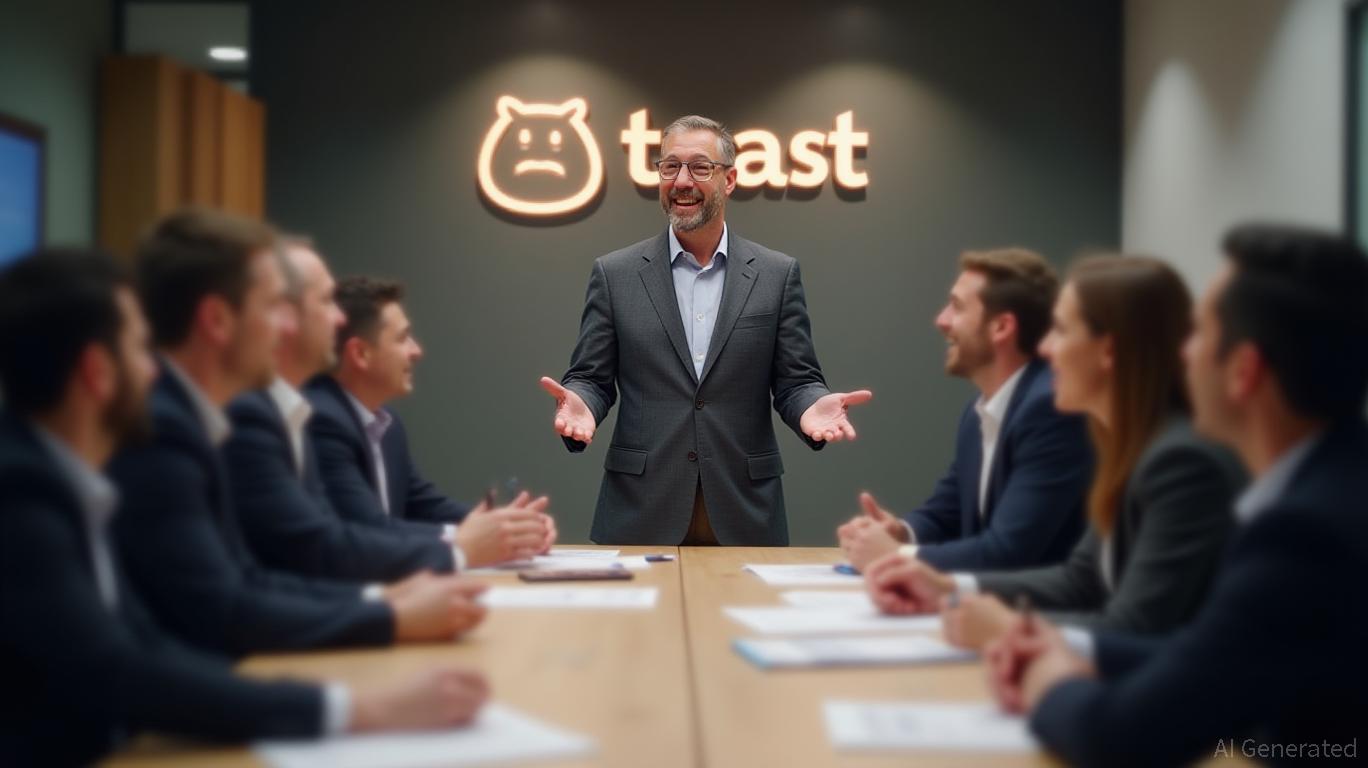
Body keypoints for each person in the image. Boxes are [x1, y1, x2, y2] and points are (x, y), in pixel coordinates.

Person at [0, 250, 488, 767]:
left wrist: (382, 607)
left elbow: (153, 639)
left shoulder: (61, 478)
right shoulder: (23, 495)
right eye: (140, 350)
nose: (153, 371)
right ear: (98, 373)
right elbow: (126, 669)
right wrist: (364, 704)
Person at [987, 225, 1368, 767]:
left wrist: (1048, 677)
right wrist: (1063, 646)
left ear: (1243, 371)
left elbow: (1119, 737)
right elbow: (1215, 658)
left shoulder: (1304, 536)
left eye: (1200, 334)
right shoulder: (1334, 487)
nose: (1182, 355)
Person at [109, 208, 487, 657]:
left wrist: (383, 601)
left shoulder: (245, 415)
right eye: (274, 307)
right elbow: (233, 604)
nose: (287, 325)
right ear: (217, 320)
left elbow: (252, 579)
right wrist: (391, 614)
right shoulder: (170, 429)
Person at [864, 256, 1243, 651]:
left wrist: (1005, 627)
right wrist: (946, 588)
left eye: (1060, 331)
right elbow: (1082, 580)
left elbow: (1138, 626)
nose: (1045, 348)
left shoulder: (1181, 462)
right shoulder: (1135, 445)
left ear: (1108, 351)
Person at [539, 114, 872, 545]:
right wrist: (581, 401)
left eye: (700, 167)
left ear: (728, 179)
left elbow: (797, 381)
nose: (682, 181)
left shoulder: (776, 274)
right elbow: (591, 377)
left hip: (743, 508)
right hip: (640, 508)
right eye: (670, 167)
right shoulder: (615, 274)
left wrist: (812, 405)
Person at [224, 238, 497, 578]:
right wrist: (460, 546)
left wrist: (497, 527)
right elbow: (339, 540)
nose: (339, 319)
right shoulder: (311, 417)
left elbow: (418, 505)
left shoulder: (378, 422)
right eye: (326, 301)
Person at [838, 249, 1092, 571]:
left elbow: (1009, 552)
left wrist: (895, 555)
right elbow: (948, 514)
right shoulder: (979, 411)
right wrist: (899, 533)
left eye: (957, 307)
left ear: (1001, 327)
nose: (941, 320)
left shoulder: (1051, 409)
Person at [305, 276, 555, 560]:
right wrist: (467, 540)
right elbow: (367, 529)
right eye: (402, 338)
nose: (416, 351)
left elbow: (422, 506)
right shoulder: (320, 421)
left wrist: (510, 527)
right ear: (360, 353)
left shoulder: (387, 424)